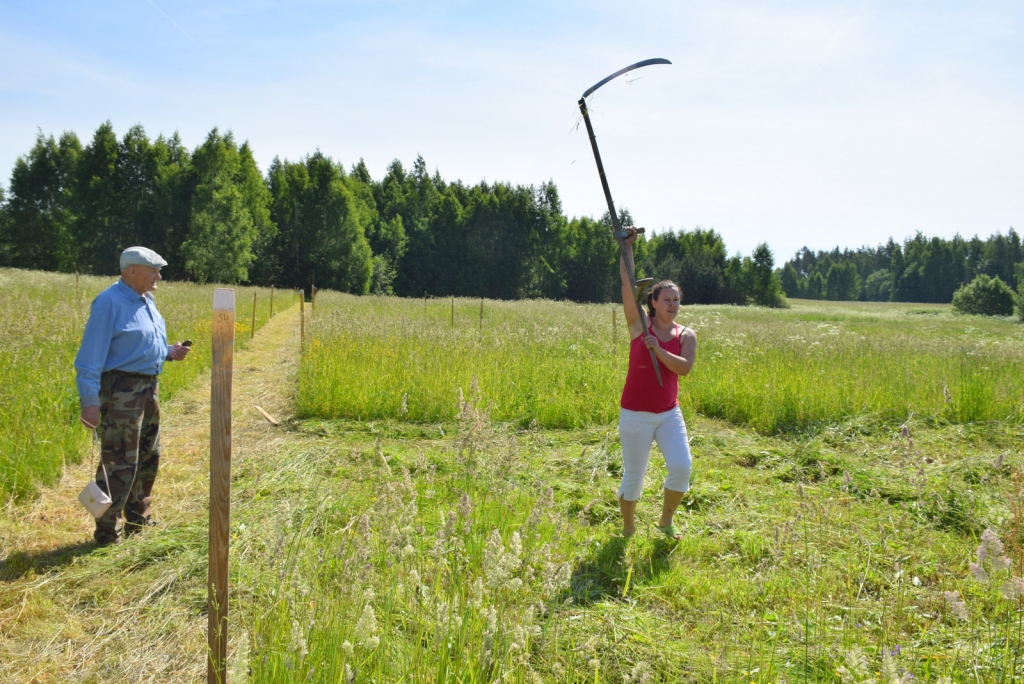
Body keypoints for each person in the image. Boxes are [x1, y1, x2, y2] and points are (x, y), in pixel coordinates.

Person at [75, 247, 192, 545]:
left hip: (149, 388)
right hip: (121, 392)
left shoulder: (146, 301)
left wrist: (169, 352)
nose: (159, 276)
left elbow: (139, 345)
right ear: (132, 271)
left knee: (147, 456)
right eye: (153, 270)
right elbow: (89, 358)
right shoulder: (109, 303)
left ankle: (139, 518)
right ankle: (107, 532)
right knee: (118, 461)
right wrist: (90, 402)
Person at [617, 227, 697, 540]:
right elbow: (627, 286)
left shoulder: (686, 335)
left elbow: (684, 368)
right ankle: (627, 527)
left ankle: (666, 521)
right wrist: (627, 248)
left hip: (668, 414)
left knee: (681, 467)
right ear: (653, 301)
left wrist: (658, 349)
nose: (673, 304)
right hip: (635, 414)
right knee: (634, 477)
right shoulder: (638, 324)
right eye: (667, 299)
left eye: (677, 300)